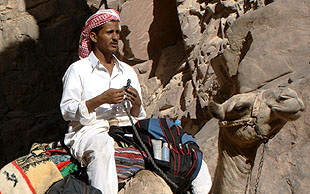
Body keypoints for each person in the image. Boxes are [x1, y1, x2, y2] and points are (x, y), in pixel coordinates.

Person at [60, 9, 211, 194]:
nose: (116, 37)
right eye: (109, 32)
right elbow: (67, 110)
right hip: (89, 131)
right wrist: (100, 100)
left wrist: (137, 104)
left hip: (128, 130)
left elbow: (137, 116)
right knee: (102, 148)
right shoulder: (77, 70)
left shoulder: (127, 71)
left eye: (117, 32)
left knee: (177, 143)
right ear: (93, 36)